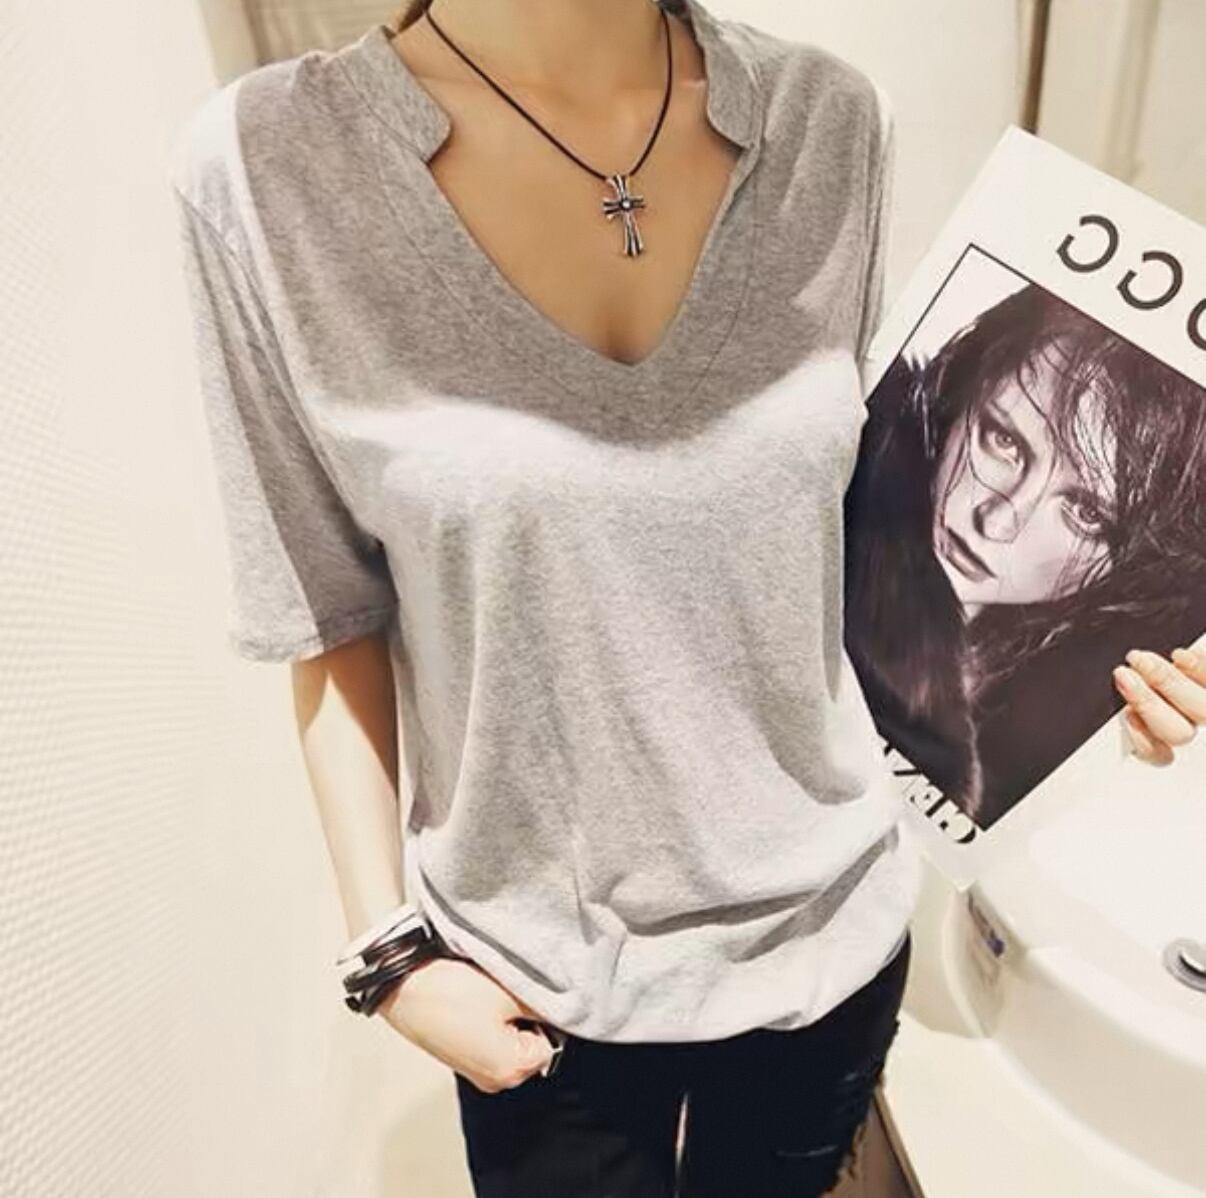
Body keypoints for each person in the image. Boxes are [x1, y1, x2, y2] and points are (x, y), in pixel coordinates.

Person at [167, 1, 1204, 1193]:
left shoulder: (830, 120)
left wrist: (1089, 701)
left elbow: (820, 543)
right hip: (536, 978)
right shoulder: (266, 168)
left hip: (834, 943)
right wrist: (388, 956)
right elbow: (326, 609)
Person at [844, 280, 1206, 827]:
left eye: (1086, 511)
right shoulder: (835, 467)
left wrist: (1112, 757)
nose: (997, 523)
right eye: (1003, 440)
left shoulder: (1059, 701)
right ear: (956, 393)